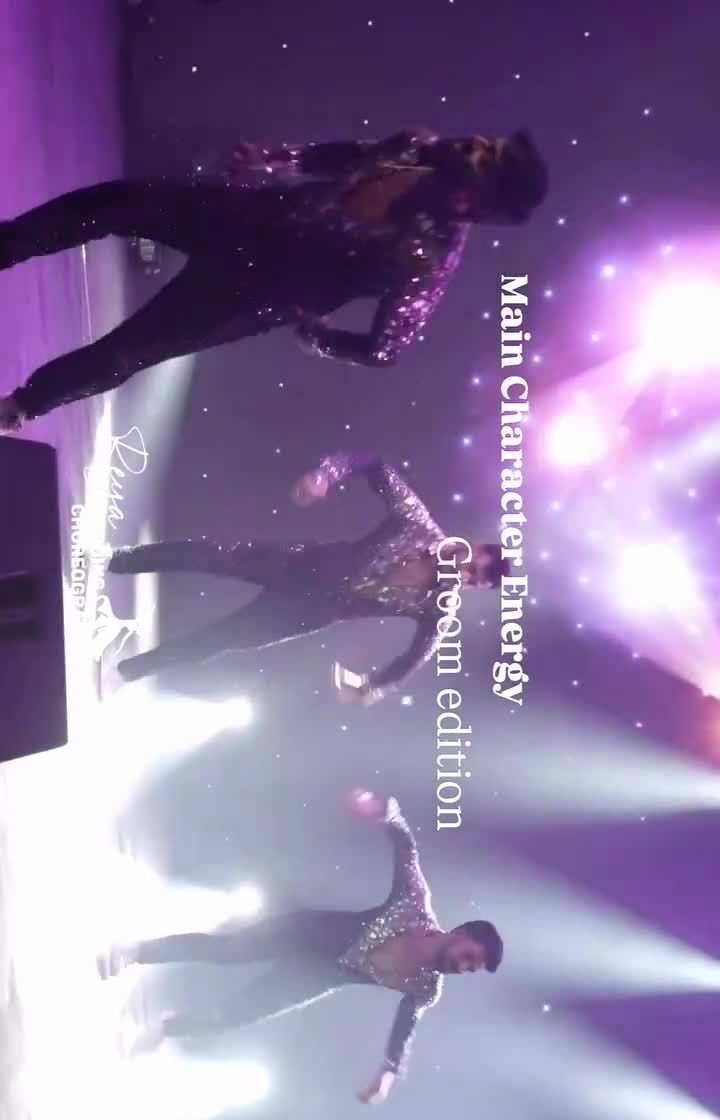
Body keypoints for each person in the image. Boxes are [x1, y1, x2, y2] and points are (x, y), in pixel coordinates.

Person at [0, 127, 547, 430]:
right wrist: (275, 160)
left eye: (486, 158)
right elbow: (348, 155)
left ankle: (22, 406)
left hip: (253, 293)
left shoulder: (430, 258)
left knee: (128, 349)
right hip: (249, 218)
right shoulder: (418, 146)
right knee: (117, 202)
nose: (475, 143)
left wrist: (320, 337)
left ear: (473, 200)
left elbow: (385, 349)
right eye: (488, 142)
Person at [99, 789, 503, 1103]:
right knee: (225, 951)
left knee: (234, 1017)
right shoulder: (414, 904)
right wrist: (381, 810)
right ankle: (135, 952)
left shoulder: (426, 989)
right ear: (461, 933)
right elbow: (405, 844)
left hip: (315, 977)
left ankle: (166, 1028)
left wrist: (387, 1073)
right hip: (305, 932)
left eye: (471, 969)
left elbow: (404, 1030)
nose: (464, 967)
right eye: (469, 957)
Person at [107, 451, 509, 699]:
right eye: (473, 566)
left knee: (219, 641)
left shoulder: (438, 608)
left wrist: (373, 686)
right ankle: (118, 561)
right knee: (212, 556)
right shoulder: (417, 524)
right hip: (301, 563)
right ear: (473, 546)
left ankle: (128, 672)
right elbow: (374, 465)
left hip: (306, 614)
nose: (465, 575)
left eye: (473, 581)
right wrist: (326, 474)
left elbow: (413, 659)